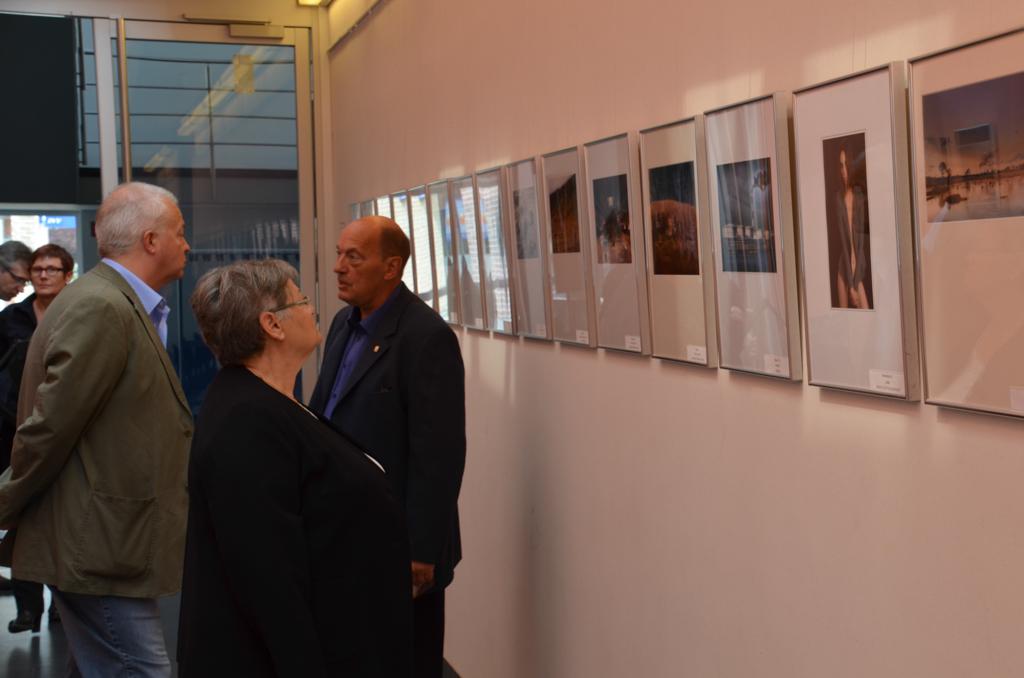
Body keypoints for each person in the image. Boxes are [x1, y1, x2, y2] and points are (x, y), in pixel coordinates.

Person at [179, 259, 412, 678]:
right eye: (301, 300)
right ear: (272, 324)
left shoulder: (267, 400)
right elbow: (267, 574)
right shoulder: (247, 419)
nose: (312, 308)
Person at [0, 181, 193, 678]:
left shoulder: (113, 301)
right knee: (141, 670)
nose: (187, 244)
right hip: (98, 544)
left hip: (104, 538)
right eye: (179, 232)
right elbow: (50, 427)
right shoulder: (102, 306)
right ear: (151, 241)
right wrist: (6, 501)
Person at [310, 216, 466, 678]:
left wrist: (421, 551)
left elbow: (438, 454)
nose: (338, 267)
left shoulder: (426, 336)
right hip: (344, 534)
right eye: (339, 254)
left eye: (353, 257)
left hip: (399, 546)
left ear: (391, 267)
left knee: (406, 662)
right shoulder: (342, 324)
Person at [0, 244, 75, 632]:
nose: (43, 275)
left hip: (62, 426)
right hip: (12, 425)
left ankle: (62, 603)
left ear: (67, 275)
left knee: (61, 515)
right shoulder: (11, 317)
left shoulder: (78, 314)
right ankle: (28, 607)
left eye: (52, 269)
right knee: (21, 515)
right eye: (37, 269)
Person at [832, 144, 872, 309]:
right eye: (840, 166)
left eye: (846, 165)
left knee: (866, 312)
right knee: (843, 315)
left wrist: (854, 283)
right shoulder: (838, 198)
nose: (843, 171)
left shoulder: (860, 195)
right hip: (845, 265)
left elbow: (860, 244)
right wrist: (849, 281)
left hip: (858, 263)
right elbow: (844, 241)